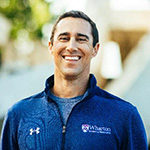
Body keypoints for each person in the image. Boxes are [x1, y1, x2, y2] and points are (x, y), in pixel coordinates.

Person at [0, 10, 148, 150]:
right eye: (64, 38)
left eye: (81, 39)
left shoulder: (124, 115)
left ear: (95, 49)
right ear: (51, 46)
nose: (71, 46)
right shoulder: (19, 114)